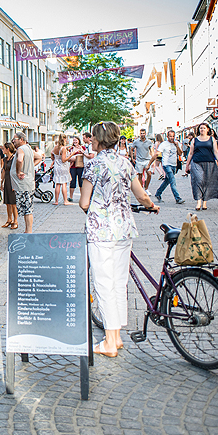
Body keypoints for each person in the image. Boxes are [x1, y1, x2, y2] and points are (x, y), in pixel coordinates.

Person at [79, 121, 159, 357]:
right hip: (124, 228)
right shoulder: (125, 163)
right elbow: (142, 194)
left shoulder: (93, 165)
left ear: (100, 140)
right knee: (119, 282)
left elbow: (84, 202)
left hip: (101, 230)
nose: (91, 140)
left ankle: (110, 343)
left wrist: (94, 208)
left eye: (93, 137)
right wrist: (151, 206)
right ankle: (116, 336)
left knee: (104, 282)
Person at [186, 122, 218, 211]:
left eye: (203, 128)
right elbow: (190, 153)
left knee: (207, 182)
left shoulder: (212, 139)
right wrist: (187, 165)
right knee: (198, 180)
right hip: (196, 162)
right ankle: (198, 201)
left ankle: (205, 202)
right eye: (200, 128)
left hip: (209, 163)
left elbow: (216, 151)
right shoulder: (195, 140)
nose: (202, 129)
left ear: (207, 129)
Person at [12, 132, 41, 233]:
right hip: (26, 183)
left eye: (15, 139)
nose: (13, 141)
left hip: (23, 184)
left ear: (21, 139)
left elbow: (19, 160)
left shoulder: (21, 149)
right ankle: (27, 230)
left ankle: (29, 231)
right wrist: (31, 166)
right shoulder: (28, 148)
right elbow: (39, 157)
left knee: (27, 209)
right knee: (26, 208)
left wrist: (19, 171)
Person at [152, 129, 185, 204]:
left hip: (174, 165)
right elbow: (157, 154)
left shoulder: (176, 143)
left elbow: (180, 154)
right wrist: (151, 163)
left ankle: (158, 193)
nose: (172, 138)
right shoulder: (163, 144)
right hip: (166, 165)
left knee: (167, 181)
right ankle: (177, 198)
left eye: (173, 136)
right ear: (167, 136)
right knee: (172, 181)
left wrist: (177, 146)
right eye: (170, 136)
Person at [1, 142, 17, 229]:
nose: (2, 150)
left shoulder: (14, 159)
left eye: (4, 148)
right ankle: (9, 219)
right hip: (7, 181)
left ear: (8, 149)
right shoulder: (4, 159)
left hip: (13, 182)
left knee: (13, 203)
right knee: (7, 202)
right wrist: (1, 182)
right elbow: (3, 171)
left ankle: (15, 221)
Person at [51, 134, 71, 205]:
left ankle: (56, 201)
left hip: (56, 166)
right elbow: (63, 160)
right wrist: (72, 154)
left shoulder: (55, 147)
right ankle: (65, 200)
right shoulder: (63, 149)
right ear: (65, 139)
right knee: (64, 183)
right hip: (63, 167)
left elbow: (52, 155)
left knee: (57, 184)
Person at [67, 136, 86, 202]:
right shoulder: (71, 148)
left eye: (76, 140)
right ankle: (71, 196)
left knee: (81, 181)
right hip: (73, 167)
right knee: (72, 181)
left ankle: (82, 197)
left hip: (81, 166)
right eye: (74, 140)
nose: (75, 142)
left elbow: (85, 155)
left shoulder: (82, 147)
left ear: (79, 141)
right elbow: (68, 157)